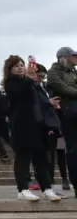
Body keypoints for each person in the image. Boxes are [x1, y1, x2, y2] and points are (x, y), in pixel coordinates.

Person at [4, 55, 62, 201]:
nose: (21, 67)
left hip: (37, 124)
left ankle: (46, 188)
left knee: (41, 158)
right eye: (16, 66)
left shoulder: (30, 82)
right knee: (23, 158)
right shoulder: (11, 83)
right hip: (22, 126)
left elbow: (37, 100)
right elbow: (18, 94)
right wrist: (29, 78)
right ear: (10, 70)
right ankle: (22, 189)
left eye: (22, 65)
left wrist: (48, 103)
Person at [46, 47, 77, 197]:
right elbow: (64, 89)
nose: (75, 58)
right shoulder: (53, 72)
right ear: (63, 57)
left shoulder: (73, 72)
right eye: (73, 56)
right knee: (72, 149)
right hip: (66, 114)